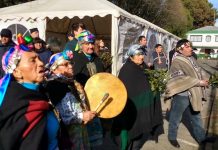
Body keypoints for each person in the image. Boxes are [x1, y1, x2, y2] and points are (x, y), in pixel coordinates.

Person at [0, 40, 58, 150]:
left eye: (39, 58)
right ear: (17, 72)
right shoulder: (13, 103)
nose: (41, 63)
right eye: (32, 61)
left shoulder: (41, 93)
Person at [112, 44, 164, 150]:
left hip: (141, 107)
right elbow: (126, 90)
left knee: (139, 134)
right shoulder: (127, 70)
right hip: (130, 109)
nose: (141, 57)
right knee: (129, 136)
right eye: (138, 55)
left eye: (142, 54)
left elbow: (146, 83)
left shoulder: (143, 66)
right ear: (131, 56)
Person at [165, 39, 214, 148]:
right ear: (180, 49)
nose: (191, 48)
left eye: (190, 46)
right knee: (176, 117)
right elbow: (179, 78)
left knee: (196, 117)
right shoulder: (177, 61)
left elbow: (198, 71)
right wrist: (198, 82)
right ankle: (172, 137)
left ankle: (201, 137)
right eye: (187, 47)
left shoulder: (191, 58)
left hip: (194, 94)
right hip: (182, 95)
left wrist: (205, 79)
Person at [45, 51, 97, 150]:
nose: (70, 66)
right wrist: (82, 116)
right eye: (65, 64)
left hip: (79, 130)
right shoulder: (54, 86)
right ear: (54, 69)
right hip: (67, 135)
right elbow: (59, 116)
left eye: (71, 63)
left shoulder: (71, 82)